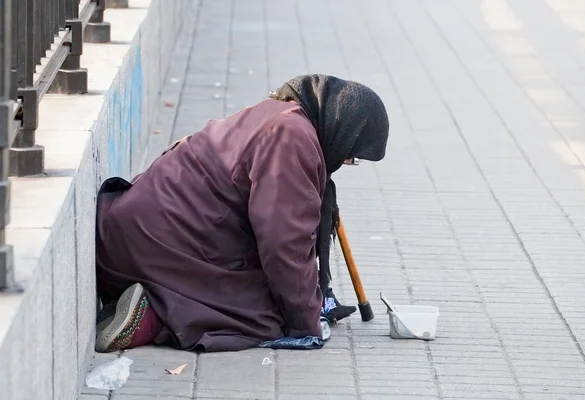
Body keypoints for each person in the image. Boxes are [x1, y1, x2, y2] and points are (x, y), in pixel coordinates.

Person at [94, 74, 389, 353]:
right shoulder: (292, 139)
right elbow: (285, 242)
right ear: (343, 129)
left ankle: (152, 295)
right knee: (264, 314)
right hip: (153, 244)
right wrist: (307, 324)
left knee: (277, 288)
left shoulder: (281, 114)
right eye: (353, 153)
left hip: (129, 228)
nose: (347, 160)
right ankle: (154, 318)